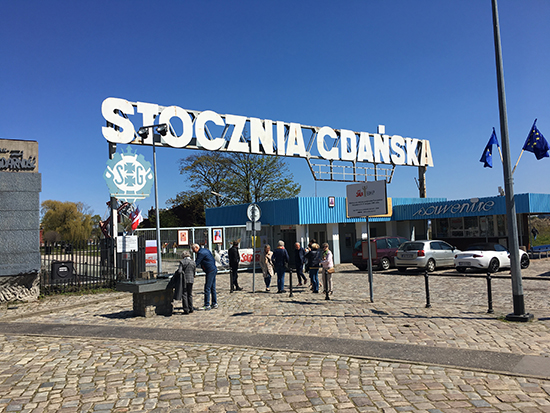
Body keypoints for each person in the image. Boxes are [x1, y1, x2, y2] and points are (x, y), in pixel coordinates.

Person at [192, 243, 218, 310]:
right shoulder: (205, 250)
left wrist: (190, 266)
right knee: (213, 287)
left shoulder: (201, 253)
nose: (193, 251)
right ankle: (214, 303)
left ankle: (207, 304)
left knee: (207, 288)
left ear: (196, 248)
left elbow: (196, 263)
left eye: (193, 249)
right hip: (213, 268)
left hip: (210, 270)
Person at [173, 250, 195, 314]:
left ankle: (186, 309)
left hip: (184, 279)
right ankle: (191, 308)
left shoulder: (182, 262)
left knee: (184, 294)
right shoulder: (193, 262)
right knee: (190, 294)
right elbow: (194, 270)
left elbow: (179, 271)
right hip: (191, 279)